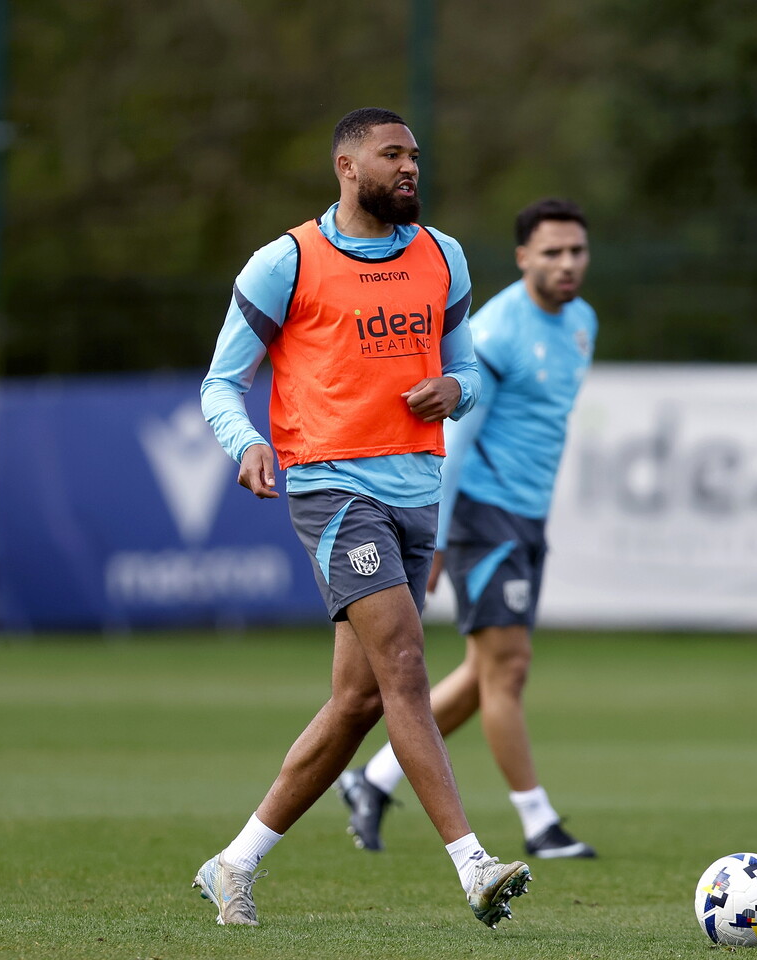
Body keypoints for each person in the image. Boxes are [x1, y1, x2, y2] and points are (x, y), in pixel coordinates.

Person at [194, 107, 531, 929]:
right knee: (407, 664)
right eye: (393, 155)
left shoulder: (442, 256)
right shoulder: (288, 262)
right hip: (334, 490)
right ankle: (473, 864)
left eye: (415, 155)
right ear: (347, 166)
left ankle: (232, 864)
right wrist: (247, 445)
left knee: (358, 701)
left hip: (419, 490)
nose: (410, 167)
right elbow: (218, 384)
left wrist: (458, 390)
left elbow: (467, 375)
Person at [337, 198, 598, 861]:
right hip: (485, 517)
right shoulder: (499, 330)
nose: (567, 264)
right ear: (522, 258)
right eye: (552, 252)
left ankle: (373, 779)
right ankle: (539, 824)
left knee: (487, 672)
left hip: (527, 517)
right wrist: (439, 537)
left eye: (577, 251)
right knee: (507, 672)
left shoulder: (582, 323)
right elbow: (454, 435)